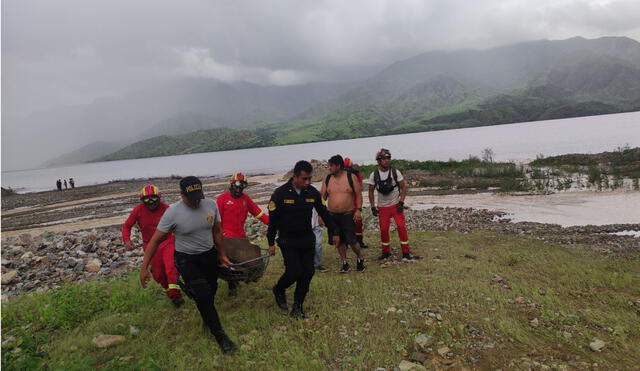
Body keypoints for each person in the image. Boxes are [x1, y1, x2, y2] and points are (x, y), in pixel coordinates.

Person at [140, 176, 237, 354]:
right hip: (187, 259)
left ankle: (207, 317)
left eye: (199, 196)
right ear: (182, 194)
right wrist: (144, 268)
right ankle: (221, 337)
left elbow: (216, 231)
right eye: (192, 198)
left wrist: (222, 255)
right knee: (204, 296)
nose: (196, 201)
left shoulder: (210, 205)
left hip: (208, 256)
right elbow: (154, 241)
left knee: (211, 290)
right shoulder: (172, 213)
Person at [267, 160, 338, 319]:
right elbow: (273, 222)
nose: (308, 182)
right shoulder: (280, 194)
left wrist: (334, 232)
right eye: (304, 179)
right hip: (288, 240)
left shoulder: (312, 193)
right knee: (294, 272)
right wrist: (271, 242)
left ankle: (297, 307)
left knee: (308, 272)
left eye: (309, 178)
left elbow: (324, 213)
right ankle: (279, 289)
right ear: (295, 177)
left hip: (307, 239)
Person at [122, 184, 183, 306]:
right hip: (149, 245)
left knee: (170, 268)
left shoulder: (166, 208)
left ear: (159, 197)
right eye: (147, 199)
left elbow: (179, 224)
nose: (151, 202)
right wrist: (127, 240)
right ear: (142, 200)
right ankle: (170, 291)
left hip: (167, 242)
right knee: (158, 275)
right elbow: (127, 226)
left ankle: (176, 296)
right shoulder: (138, 210)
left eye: (154, 198)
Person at [216, 172, 269, 297]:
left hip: (240, 236)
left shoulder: (246, 199)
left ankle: (239, 280)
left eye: (242, 187)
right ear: (232, 184)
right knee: (229, 263)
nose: (239, 189)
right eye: (237, 186)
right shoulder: (222, 199)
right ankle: (232, 286)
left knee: (246, 263)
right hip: (226, 237)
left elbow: (258, 213)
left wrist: (273, 223)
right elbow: (216, 221)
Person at [367, 148, 416, 260]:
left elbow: (403, 187)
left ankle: (406, 252)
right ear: (378, 161)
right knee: (384, 229)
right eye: (384, 158)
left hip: (395, 205)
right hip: (382, 207)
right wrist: (373, 207)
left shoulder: (395, 172)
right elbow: (370, 191)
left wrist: (401, 202)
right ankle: (385, 252)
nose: (386, 160)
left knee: (401, 227)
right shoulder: (373, 175)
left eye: (388, 158)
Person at [321, 155, 365, 273]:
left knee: (352, 240)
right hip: (332, 215)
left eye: (331, 166)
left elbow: (358, 195)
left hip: (348, 214)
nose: (329, 168)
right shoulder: (328, 179)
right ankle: (344, 262)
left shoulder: (351, 177)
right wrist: (321, 214)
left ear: (338, 166)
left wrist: (358, 210)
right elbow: (322, 197)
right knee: (338, 241)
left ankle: (360, 258)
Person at [344, 157, 369, 249]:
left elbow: (360, 187)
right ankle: (358, 241)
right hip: (351, 199)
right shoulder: (357, 173)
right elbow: (361, 187)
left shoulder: (345, 173)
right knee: (356, 221)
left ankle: (349, 242)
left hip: (351, 199)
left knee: (351, 221)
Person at [310, 184, 328, 272]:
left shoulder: (315, 189)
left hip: (316, 221)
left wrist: (321, 217)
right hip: (303, 224)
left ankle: (318, 264)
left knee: (318, 244)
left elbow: (322, 204)